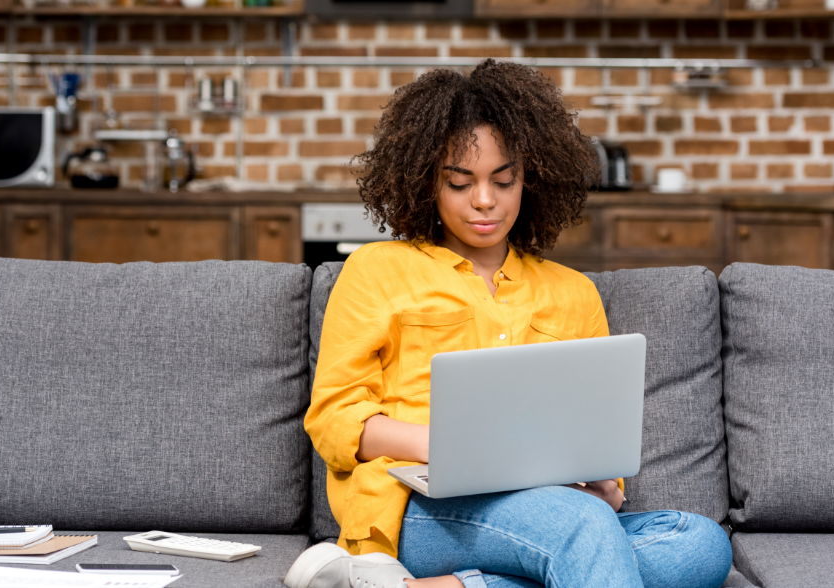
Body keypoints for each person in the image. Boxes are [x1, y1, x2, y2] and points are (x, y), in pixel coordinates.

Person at [283, 60, 732, 588]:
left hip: (548, 506)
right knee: (582, 531)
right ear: (427, 181)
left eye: (503, 180)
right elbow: (334, 420)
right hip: (415, 507)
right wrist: (445, 445)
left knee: (698, 543)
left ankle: (450, 586)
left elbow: (592, 427)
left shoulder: (572, 292)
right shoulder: (377, 270)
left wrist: (605, 487)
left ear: (530, 180)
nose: (484, 201)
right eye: (460, 182)